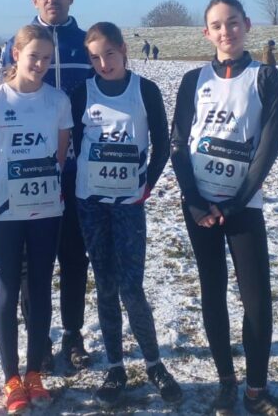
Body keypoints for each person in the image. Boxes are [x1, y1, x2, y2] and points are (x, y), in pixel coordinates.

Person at [170, 0, 278, 415]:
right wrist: (194, 200)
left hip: (243, 205)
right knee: (212, 291)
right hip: (200, 204)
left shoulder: (266, 77)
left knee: (256, 298)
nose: (226, 32)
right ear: (207, 33)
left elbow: (269, 146)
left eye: (232, 23)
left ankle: (256, 388)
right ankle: (225, 381)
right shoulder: (193, 80)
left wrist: (237, 202)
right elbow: (178, 144)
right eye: (217, 25)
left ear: (247, 25)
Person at [71, 22, 182, 406]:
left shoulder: (144, 90)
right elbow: (68, 143)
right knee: (105, 286)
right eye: (96, 58)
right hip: (92, 205)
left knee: (132, 287)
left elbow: (163, 145)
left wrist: (146, 186)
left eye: (110, 55)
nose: (104, 64)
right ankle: (116, 367)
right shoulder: (81, 92)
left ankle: (154, 364)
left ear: (123, 51)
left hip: (129, 205)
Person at [0, 25, 73, 414]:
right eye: (34, 56)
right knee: (7, 291)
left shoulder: (58, 100)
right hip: (5, 214)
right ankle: (11, 377)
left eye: (48, 58)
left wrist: (44, 189)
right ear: (16, 55)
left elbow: (61, 154)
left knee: (42, 288)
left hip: (46, 211)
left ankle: (34, 373)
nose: (42, 64)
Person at [1, 0, 93, 371]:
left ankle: (73, 336)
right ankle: (38, 339)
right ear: (34, 0)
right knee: (29, 264)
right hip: (28, 173)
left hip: (75, 169)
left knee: (74, 257)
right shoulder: (16, 44)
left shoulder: (86, 43)